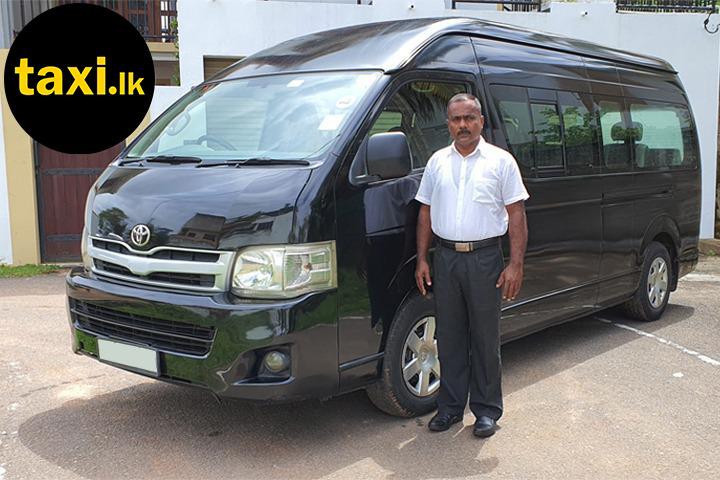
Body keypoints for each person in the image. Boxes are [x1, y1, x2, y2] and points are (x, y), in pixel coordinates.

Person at [414, 93, 529, 438]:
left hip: (485, 260)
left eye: (469, 118)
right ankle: (449, 408)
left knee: (484, 337)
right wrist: (422, 258)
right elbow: (425, 211)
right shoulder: (436, 162)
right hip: (445, 258)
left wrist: (516, 265)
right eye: (455, 119)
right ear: (448, 123)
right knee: (448, 337)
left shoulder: (501, 162)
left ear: (481, 121)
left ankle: (486, 410)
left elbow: (516, 213)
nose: (462, 125)